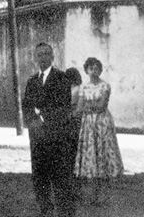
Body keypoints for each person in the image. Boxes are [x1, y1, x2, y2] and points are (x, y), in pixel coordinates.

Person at [22, 43, 75, 217]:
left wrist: (42, 117)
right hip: (37, 137)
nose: (43, 58)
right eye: (39, 55)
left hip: (56, 137)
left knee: (59, 177)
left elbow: (63, 106)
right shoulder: (32, 82)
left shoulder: (61, 78)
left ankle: (64, 211)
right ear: (35, 58)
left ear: (52, 57)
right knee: (39, 176)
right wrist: (32, 121)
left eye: (46, 54)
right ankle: (45, 210)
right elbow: (27, 106)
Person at [74, 57, 123, 205]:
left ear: (100, 70)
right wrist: (90, 105)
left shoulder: (105, 86)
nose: (93, 71)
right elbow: (80, 107)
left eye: (96, 68)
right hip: (88, 124)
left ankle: (104, 195)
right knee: (91, 153)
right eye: (91, 68)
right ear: (86, 70)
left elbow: (102, 105)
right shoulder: (83, 87)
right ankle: (92, 195)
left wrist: (89, 105)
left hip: (102, 123)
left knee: (103, 152)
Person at [64, 67, 83, 195]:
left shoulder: (76, 90)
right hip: (73, 123)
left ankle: (72, 186)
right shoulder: (76, 89)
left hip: (73, 122)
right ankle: (74, 186)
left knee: (71, 154)